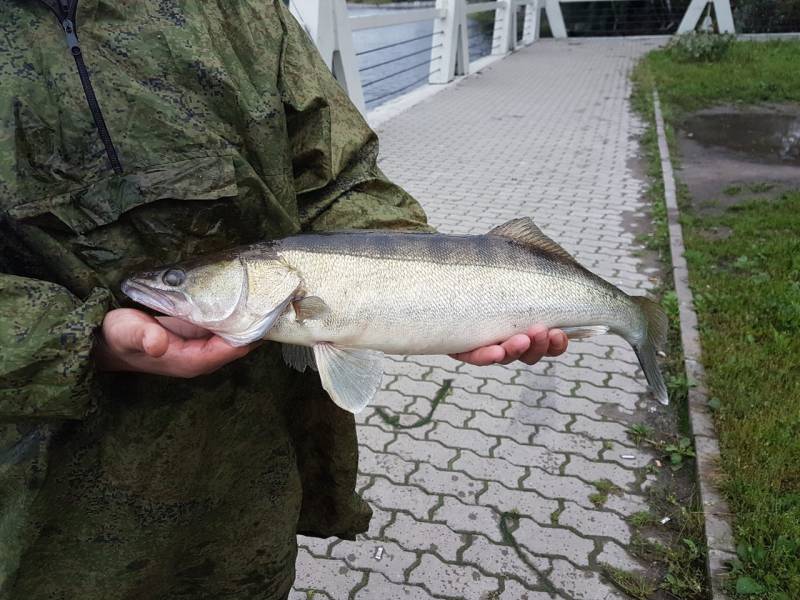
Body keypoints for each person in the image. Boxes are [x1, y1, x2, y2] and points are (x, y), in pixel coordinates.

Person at [0, 1, 568, 598]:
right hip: (44, 501)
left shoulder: (244, 9)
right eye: (177, 284)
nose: (165, 289)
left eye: (178, 281)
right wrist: (70, 338)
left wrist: (436, 303)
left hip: (253, 470)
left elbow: (340, 178)